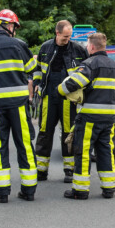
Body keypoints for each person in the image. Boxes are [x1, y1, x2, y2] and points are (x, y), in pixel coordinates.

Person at [0, 9, 38, 203]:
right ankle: (28, 191)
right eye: (14, 26)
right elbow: (30, 69)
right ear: (9, 26)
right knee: (25, 145)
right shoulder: (19, 45)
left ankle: (1, 193)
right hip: (19, 105)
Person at [59, 32, 115, 199]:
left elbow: (73, 83)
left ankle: (80, 190)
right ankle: (109, 189)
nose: (87, 48)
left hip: (89, 118)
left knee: (83, 152)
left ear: (92, 47)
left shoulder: (89, 64)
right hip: (109, 119)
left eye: (88, 45)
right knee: (106, 152)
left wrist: (59, 90)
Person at [32, 20, 88, 183]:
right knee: (44, 132)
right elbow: (37, 70)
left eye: (69, 36)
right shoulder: (46, 47)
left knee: (68, 134)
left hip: (68, 98)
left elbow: (86, 71)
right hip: (49, 97)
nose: (67, 39)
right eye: (65, 36)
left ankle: (69, 171)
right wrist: (36, 84)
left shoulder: (78, 49)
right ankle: (41, 170)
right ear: (57, 33)